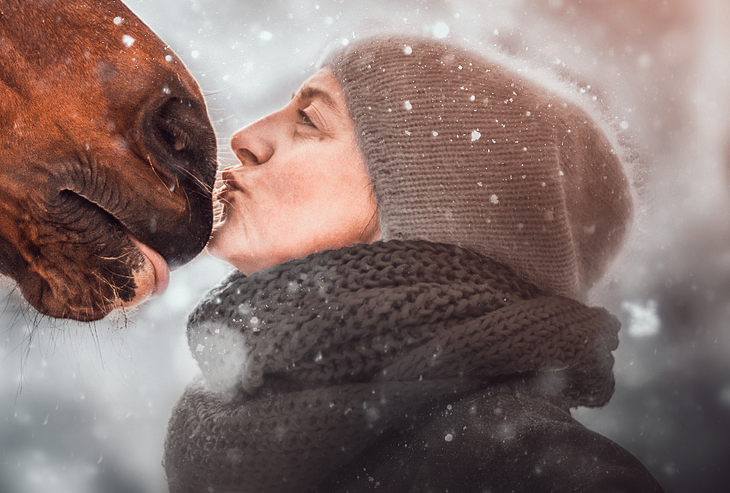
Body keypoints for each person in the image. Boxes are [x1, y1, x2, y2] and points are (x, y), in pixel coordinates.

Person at [163, 35, 662, 493]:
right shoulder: (227, 422)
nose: (246, 138)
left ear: (427, 207)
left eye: (310, 121)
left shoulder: (541, 473)